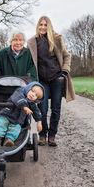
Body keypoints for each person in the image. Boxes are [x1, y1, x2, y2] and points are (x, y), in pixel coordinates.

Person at [27, 16, 75, 147]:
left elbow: (67, 56)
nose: (42, 27)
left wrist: (64, 71)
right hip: (41, 81)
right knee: (42, 108)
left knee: (56, 108)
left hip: (56, 79)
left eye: (45, 25)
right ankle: (42, 135)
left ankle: (52, 136)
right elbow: (29, 62)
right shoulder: (32, 42)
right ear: (38, 26)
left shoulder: (57, 39)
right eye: (40, 25)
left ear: (49, 26)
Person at [0, 81, 44, 147]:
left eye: (36, 95)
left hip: (18, 120)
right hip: (6, 114)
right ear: (28, 88)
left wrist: (39, 121)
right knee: (0, 124)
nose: (33, 94)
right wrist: (24, 107)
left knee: (15, 129)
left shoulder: (31, 103)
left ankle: (9, 140)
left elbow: (36, 111)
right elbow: (17, 98)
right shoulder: (20, 91)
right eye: (32, 91)